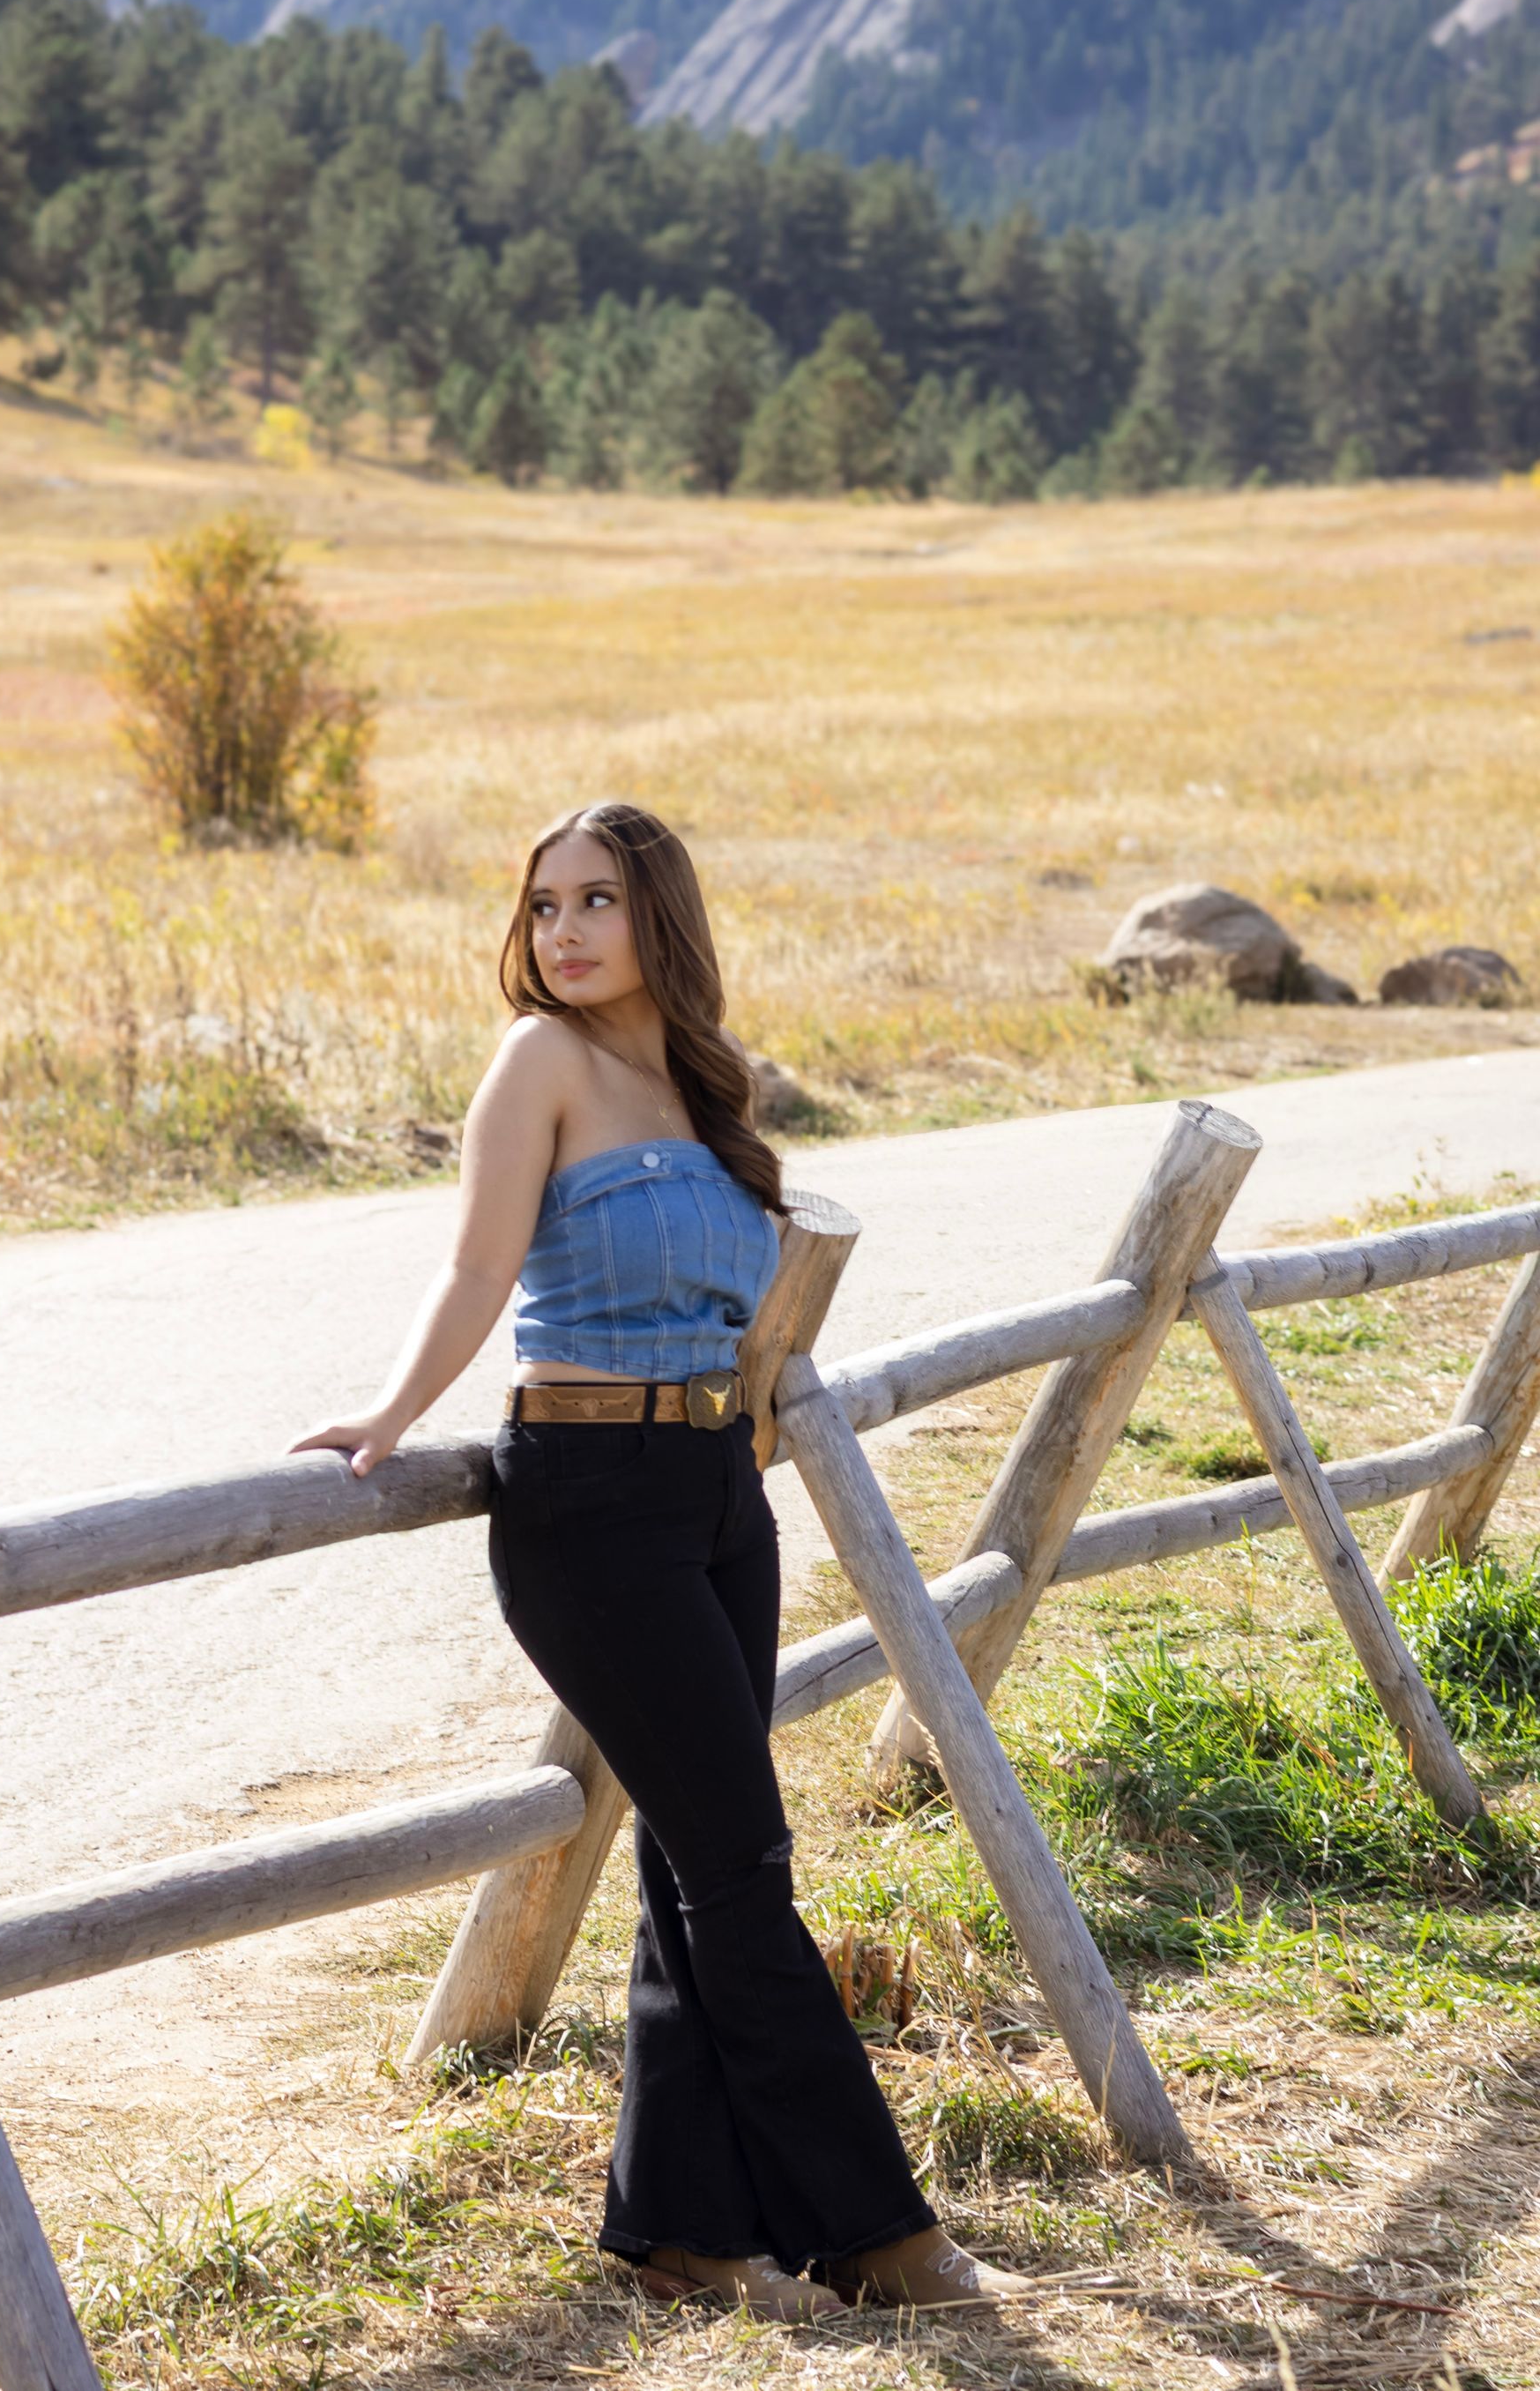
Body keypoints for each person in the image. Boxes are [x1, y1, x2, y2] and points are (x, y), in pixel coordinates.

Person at [293, 801, 1024, 2321]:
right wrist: (386, 1410)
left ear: (657, 919)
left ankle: (681, 2227)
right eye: (544, 903)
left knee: (696, 1862)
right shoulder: (538, 1062)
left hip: (712, 1491)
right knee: (745, 1870)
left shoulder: (704, 1083)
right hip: (588, 1498)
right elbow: (480, 1264)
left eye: (595, 902)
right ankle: (879, 2233)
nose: (560, 931)